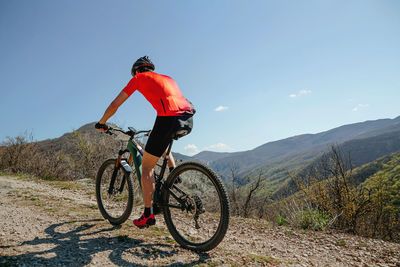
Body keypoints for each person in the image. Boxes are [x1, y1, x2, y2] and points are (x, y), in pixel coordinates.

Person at [95, 56, 195, 228]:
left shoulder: (138, 78)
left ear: (136, 71)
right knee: (158, 141)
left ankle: (148, 214)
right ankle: (174, 173)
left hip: (168, 118)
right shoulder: (167, 78)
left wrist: (102, 122)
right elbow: (170, 101)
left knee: (147, 167)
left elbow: (115, 104)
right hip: (187, 117)